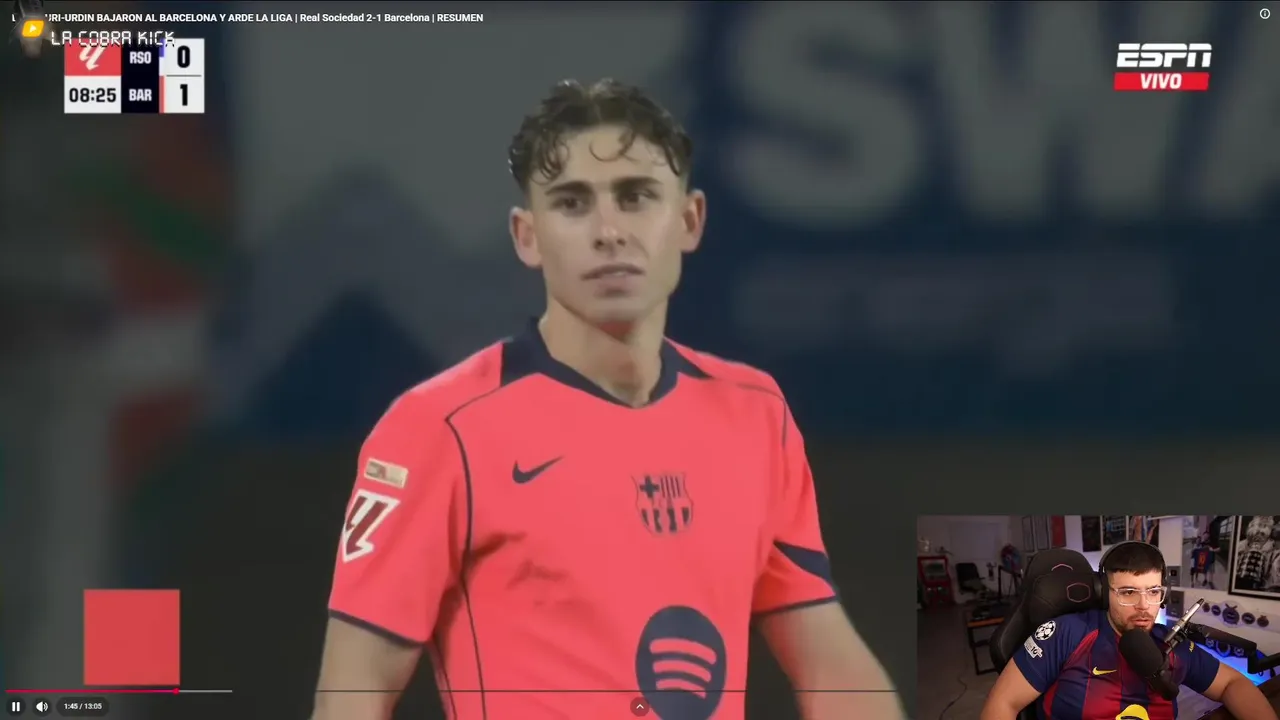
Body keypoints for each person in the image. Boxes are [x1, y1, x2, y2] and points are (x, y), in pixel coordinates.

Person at [309, 79, 904, 720]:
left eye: (635, 196)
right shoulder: (439, 429)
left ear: (689, 220)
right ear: (527, 236)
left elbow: (829, 663)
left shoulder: (755, 412)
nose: (609, 231)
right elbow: (355, 688)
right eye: (572, 203)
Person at [980, 542, 1277, 720]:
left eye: (1153, 591)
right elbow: (1003, 703)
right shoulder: (1067, 633)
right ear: (1104, 592)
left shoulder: (1168, 643)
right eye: (1128, 592)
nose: (1144, 606)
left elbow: (1232, 683)